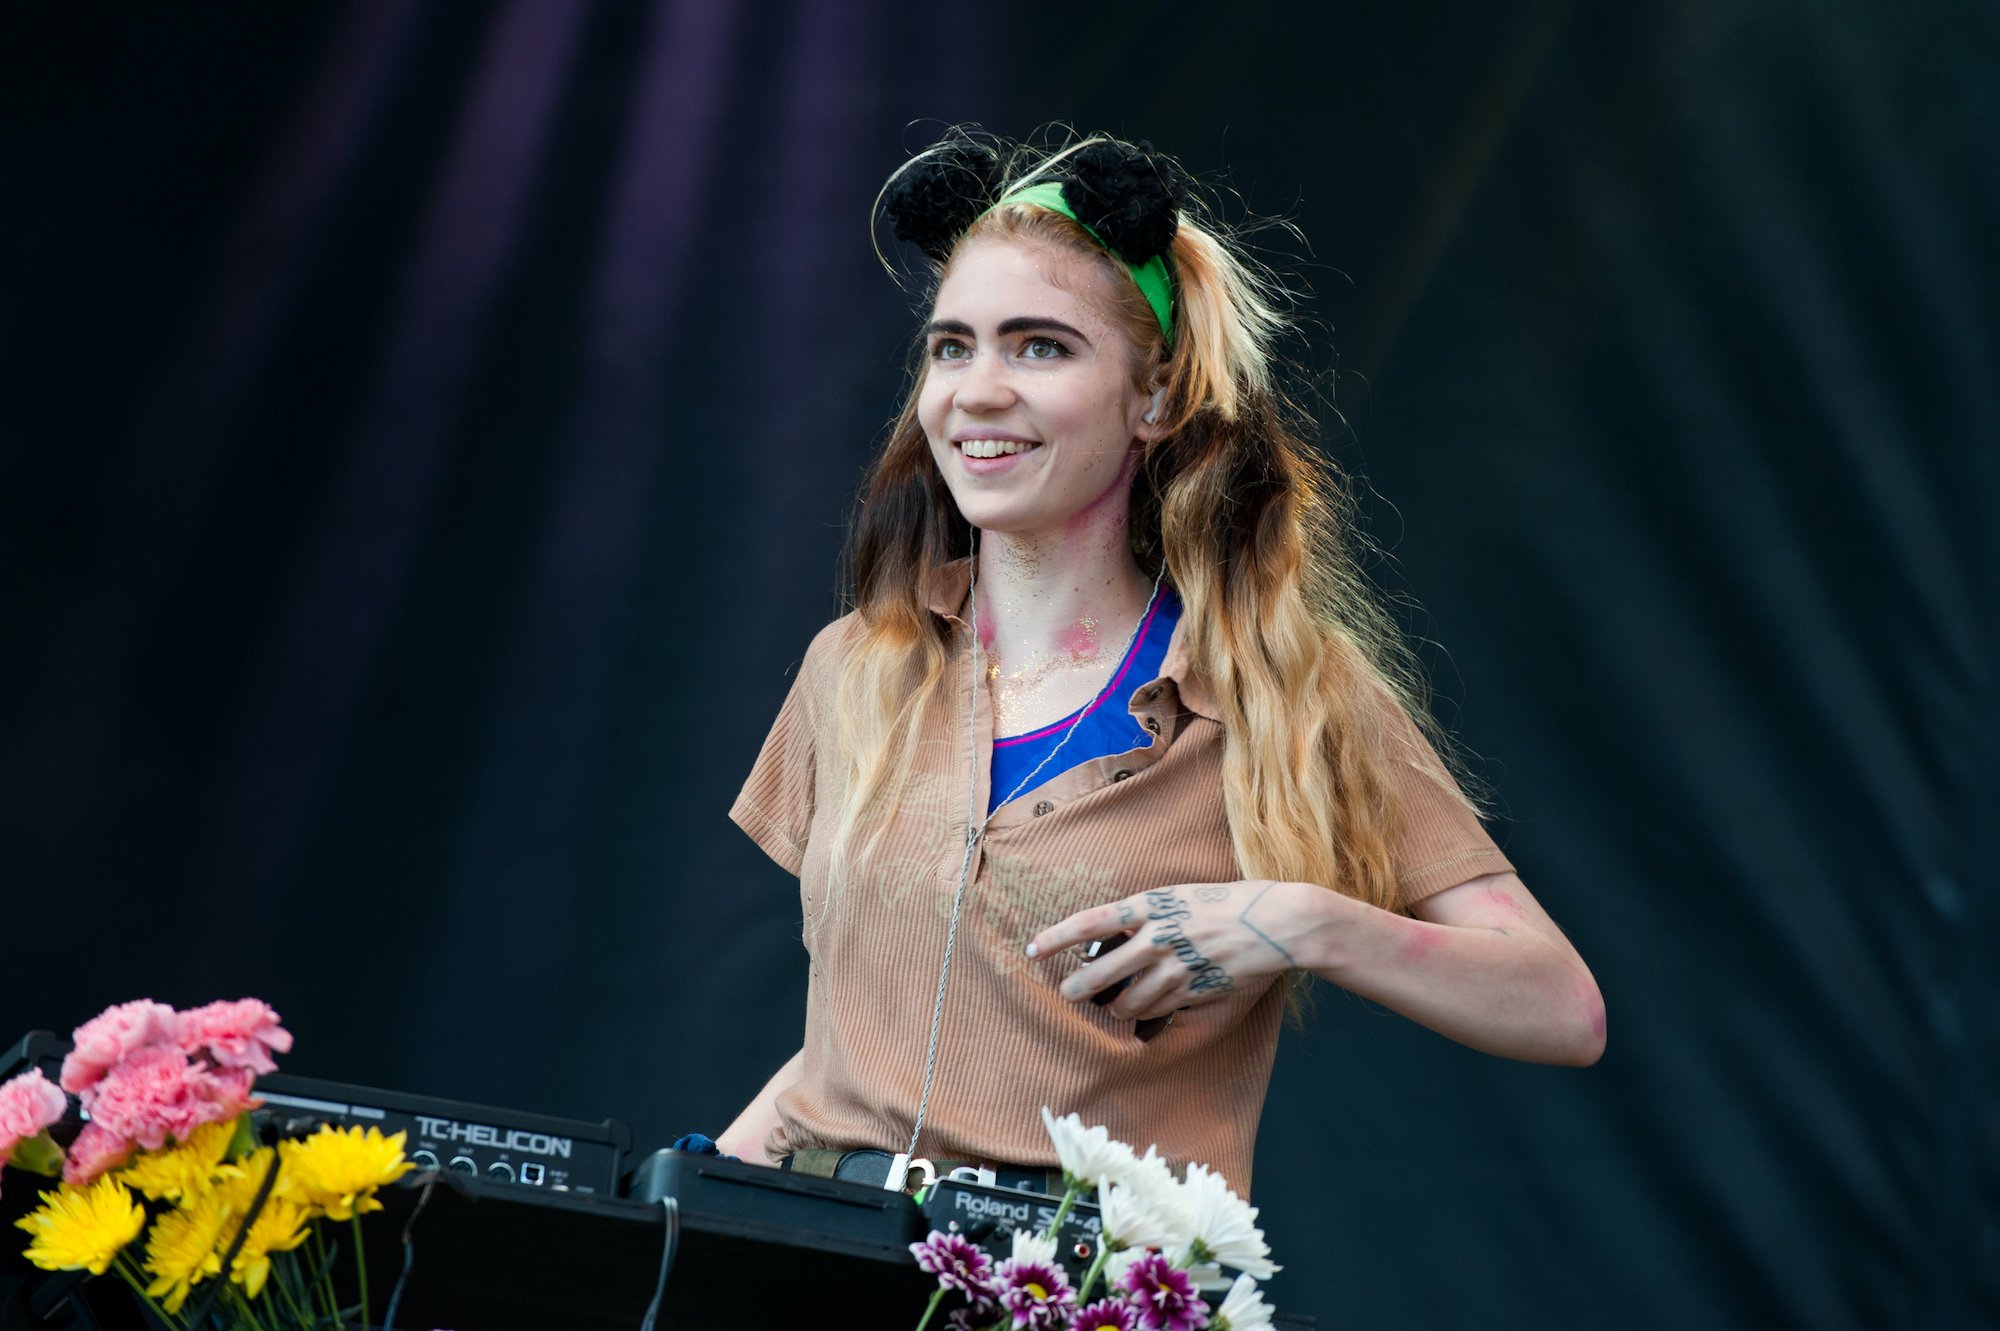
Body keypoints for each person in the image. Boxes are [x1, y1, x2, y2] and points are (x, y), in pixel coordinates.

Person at [716, 132, 1603, 1196]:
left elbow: (1559, 1003)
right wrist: (669, 1217)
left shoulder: (1282, 691)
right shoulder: (859, 663)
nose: (976, 389)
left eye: (1039, 346)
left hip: (1076, 1289)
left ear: (1158, 398)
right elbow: (856, 1049)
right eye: (952, 347)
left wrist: (1295, 919)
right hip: (819, 1253)